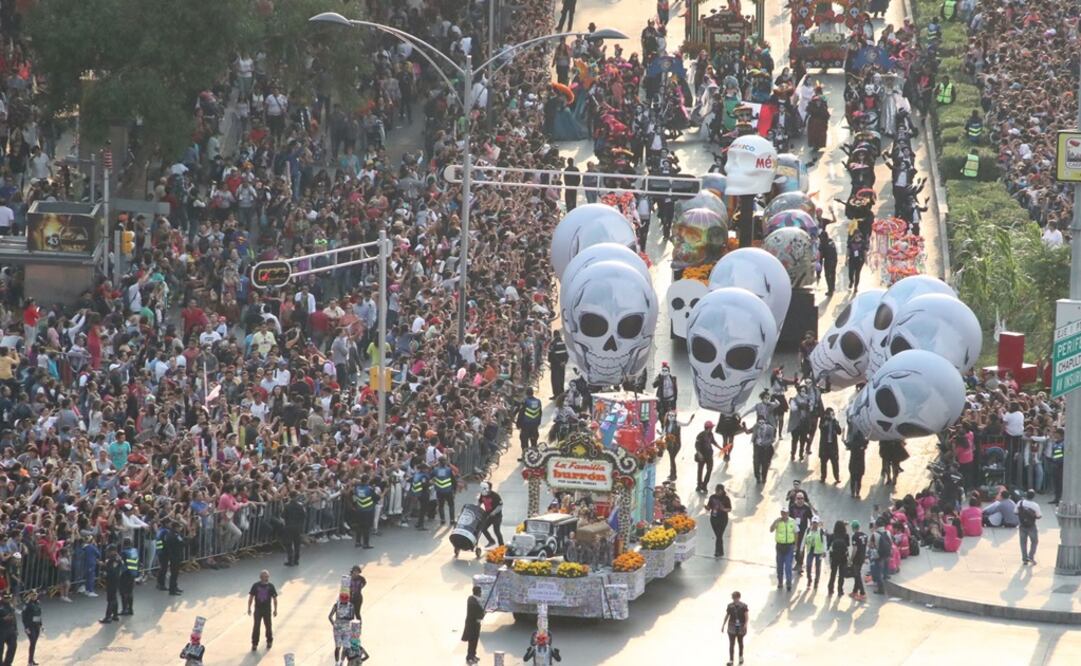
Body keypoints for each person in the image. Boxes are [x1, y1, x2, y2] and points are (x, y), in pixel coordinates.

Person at [248, 569, 278, 651]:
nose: (265, 578)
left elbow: (275, 599)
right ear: (260, 577)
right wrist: (249, 608)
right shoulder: (255, 586)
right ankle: (254, 643)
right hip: (258, 610)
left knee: (268, 626)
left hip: (267, 610)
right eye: (264, 576)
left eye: (267, 576)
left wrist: (275, 610)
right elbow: (251, 597)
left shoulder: (271, 586)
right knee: (256, 627)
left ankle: (269, 641)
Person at [770, 508, 798, 591]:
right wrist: (775, 522)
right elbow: (771, 530)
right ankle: (780, 582)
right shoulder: (778, 522)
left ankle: (789, 582)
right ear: (781, 513)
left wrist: (796, 545)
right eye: (783, 513)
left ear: (788, 513)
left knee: (788, 565)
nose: (784, 515)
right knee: (780, 565)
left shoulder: (792, 521)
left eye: (786, 513)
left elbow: (796, 533)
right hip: (780, 546)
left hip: (789, 546)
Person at [156, 519, 185, 595]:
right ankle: (161, 584)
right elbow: (167, 543)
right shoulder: (165, 532)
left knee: (165, 568)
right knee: (164, 568)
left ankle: (168, 585)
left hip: (163, 552)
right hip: (164, 552)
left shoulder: (163, 530)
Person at [720, 590, 748, 666]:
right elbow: (727, 615)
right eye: (733, 598)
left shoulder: (744, 606)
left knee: (740, 643)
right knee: (731, 644)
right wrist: (723, 625)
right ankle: (731, 660)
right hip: (731, 627)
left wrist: (745, 624)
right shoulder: (730, 606)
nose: (734, 599)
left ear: (739, 597)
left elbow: (746, 616)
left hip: (741, 627)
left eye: (735, 598)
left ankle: (741, 657)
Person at [695, 421, 723, 493]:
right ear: (709, 428)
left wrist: (721, 448)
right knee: (700, 470)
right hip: (702, 456)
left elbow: (713, 442)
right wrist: (699, 453)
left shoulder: (711, 434)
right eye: (712, 427)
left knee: (709, 470)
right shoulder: (700, 435)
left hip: (709, 455)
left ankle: (704, 485)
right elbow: (697, 445)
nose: (712, 428)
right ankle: (699, 485)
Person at [352, 475, 379, 549]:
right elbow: (376, 498)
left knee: (359, 526)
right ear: (367, 480)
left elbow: (354, 497)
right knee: (366, 527)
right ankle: (366, 544)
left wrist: (355, 505)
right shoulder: (369, 489)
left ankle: (357, 542)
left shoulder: (357, 488)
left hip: (359, 509)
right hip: (368, 510)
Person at [515, 388, 542, 460]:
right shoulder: (538, 401)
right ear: (533, 393)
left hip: (525, 425)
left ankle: (525, 456)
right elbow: (540, 413)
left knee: (524, 441)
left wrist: (518, 424)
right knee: (534, 440)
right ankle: (534, 456)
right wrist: (538, 423)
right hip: (534, 425)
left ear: (526, 393)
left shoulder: (525, 402)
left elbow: (521, 413)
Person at [462, 585, 486, 665]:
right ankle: (469, 657)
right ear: (479, 593)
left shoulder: (471, 599)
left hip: (475, 624)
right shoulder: (474, 603)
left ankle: (473, 655)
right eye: (480, 592)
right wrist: (483, 612)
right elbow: (480, 615)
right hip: (472, 625)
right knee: (472, 641)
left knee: (475, 640)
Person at [1017, 489, 1042, 565]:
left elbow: (1015, 512)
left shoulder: (1020, 503)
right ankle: (1031, 556)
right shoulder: (1035, 505)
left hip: (1022, 525)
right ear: (1033, 496)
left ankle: (1024, 559)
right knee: (1034, 541)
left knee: (1023, 542)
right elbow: (1039, 516)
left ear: (1026, 494)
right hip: (1031, 526)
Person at [330, 589, 355, 665]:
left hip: (347, 629)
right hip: (337, 630)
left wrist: (343, 618)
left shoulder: (350, 606)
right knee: (338, 647)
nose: (344, 602)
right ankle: (337, 663)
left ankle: (341, 661)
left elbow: (352, 617)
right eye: (343, 600)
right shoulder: (336, 606)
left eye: (346, 600)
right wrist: (334, 624)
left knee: (346, 647)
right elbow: (330, 616)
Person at [707, 484, 733, 558]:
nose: (717, 492)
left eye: (719, 491)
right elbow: (709, 507)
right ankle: (720, 551)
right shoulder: (712, 497)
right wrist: (707, 507)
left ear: (722, 491)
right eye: (716, 490)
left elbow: (729, 509)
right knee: (718, 535)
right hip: (714, 518)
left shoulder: (726, 499)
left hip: (722, 519)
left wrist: (723, 509)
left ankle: (717, 551)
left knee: (719, 535)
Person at [478, 482, 504, 551]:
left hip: (496, 516)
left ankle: (502, 546)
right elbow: (479, 502)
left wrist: (494, 512)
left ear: (489, 488)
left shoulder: (495, 495)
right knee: (483, 528)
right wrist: (477, 509)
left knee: (497, 531)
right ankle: (491, 541)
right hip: (488, 515)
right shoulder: (482, 494)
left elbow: (500, 505)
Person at [818, 408, 842, 483]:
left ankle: (837, 477)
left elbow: (839, 432)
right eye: (830, 414)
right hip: (825, 446)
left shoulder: (835, 421)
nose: (831, 416)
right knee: (823, 463)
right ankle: (823, 477)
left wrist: (834, 421)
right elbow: (821, 427)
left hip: (833, 446)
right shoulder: (823, 420)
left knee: (835, 463)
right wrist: (825, 424)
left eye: (832, 414)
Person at [751, 417, 778, 485]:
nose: (761, 425)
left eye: (762, 423)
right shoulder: (755, 427)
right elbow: (748, 432)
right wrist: (744, 427)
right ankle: (757, 477)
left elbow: (772, 439)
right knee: (756, 463)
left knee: (764, 464)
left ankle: (764, 477)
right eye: (759, 423)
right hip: (757, 448)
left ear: (765, 422)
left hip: (766, 448)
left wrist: (765, 443)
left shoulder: (770, 428)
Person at [283, 490, 307, 565]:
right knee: (297, 544)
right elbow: (304, 516)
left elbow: (283, 516)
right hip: (298, 527)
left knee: (289, 544)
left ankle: (290, 560)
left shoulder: (287, 505)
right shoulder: (300, 505)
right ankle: (296, 560)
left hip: (289, 526)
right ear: (296, 497)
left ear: (290, 496)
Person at [100, 545, 123, 623]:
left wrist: (103, 566)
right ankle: (115, 615)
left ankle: (108, 617)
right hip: (115, 579)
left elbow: (111, 570)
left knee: (110, 598)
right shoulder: (115, 558)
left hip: (112, 579)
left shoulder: (114, 559)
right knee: (114, 597)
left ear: (113, 551)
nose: (107, 553)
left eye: (109, 551)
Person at [826, 520, 850, 597]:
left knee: (833, 573)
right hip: (843, 557)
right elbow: (847, 546)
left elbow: (828, 546)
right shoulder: (846, 536)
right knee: (841, 574)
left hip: (834, 557)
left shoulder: (832, 535)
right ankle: (840, 590)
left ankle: (830, 588)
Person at [845, 421, 868, 498]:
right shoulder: (863, 445)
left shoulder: (852, 445)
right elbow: (867, 440)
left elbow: (846, 443)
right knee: (859, 480)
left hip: (853, 464)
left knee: (853, 479)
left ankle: (852, 492)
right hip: (860, 465)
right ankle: (857, 493)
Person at [804, 516, 827, 590]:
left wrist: (824, 551)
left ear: (818, 523)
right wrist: (801, 549)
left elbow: (824, 541)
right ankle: (809, 579)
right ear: (811, 523)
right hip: (810, 550)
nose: (814, 524)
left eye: (816, 523)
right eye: (813, 523)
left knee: (818, 567)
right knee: (808, 565)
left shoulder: (821, 531)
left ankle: (816, 582)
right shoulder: (808, 530)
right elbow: (804, 539)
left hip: (819, 552)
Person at [433, 457, 458, 526]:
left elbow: (430, 476)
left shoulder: (435, 470)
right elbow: (453, 480)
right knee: (451, 505)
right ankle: (452, 520)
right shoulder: (449, 470)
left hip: (439, 491)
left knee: (441, 505)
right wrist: (455, 490)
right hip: (448, 490)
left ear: (439, 462)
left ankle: (442, 520)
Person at [849, 521, 868, 601]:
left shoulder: (855, 536)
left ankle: (862, 593)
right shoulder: (865, 535)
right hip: (862, 556)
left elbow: (855, 549)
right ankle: (855, 591)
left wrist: (851, 559)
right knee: (857, 573)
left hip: (857, 558)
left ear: (853, 528)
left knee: (857, 575)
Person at [22, 589, 41, 666]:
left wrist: (41, 625)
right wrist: (26, 627)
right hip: (30, 626)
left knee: (34, 643)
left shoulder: (37, 603)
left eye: (36, 594)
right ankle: (30, 661)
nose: (35, 596)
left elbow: (39, 615)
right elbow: (24, 617)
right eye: (33, 595)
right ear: (29, 596)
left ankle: (31, 660)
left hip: (36, 626)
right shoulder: (26, 605)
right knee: (32, 641)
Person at [120, 536, 138, 615]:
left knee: (123, 592)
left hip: (125, 574)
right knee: (130, 592)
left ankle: (124, 609)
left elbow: (122, 564)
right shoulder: (134, 551)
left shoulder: (124, 552)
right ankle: (130, 609)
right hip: (133, 573)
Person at [410, 463, 432, 530]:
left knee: (421, 509)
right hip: (424, 494)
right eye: (426, 468)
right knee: (423, 510)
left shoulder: (417, 474)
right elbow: (424, 485)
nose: (427, 470)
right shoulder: (424, 476)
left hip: (418, 493)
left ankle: (418, 523)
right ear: (423, 469)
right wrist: (431, 483)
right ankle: (421, 525)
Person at [548, 331, 569, 397]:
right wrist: (564, 362)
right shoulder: (564, 343)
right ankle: (561, 393)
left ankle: (556, 394)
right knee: (561, 378)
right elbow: (567, 353)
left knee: (555, 379)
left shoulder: (552, 344)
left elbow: (552, 354)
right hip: (562, 365)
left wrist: (558, 362)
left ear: (554, 335)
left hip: (555, 365)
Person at [0, 593, 15, 666]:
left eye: (9, 597)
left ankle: (7, 663)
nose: (8, 599)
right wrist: (3, 619)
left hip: (10, 630)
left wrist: (16, 629)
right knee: (0, 649)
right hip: (1, 630)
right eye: (6, 598)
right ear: (2, 597)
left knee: (13, 647)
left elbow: (14, 618)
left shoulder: (11, 606)